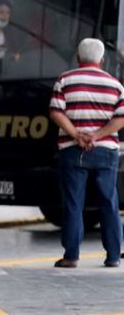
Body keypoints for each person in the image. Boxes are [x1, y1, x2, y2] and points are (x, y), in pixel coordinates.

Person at [49, 38, 123, 268]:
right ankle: (112, 255)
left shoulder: (65, 80)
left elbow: (55, 112)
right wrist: (98, 136)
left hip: (72, 150)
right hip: (105, 151)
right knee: (108, 201)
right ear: (102, 60)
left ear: (78, 58)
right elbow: (121, 118)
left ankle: (71, 256)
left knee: (73, 202)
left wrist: (76, 135)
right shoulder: (115, 85)